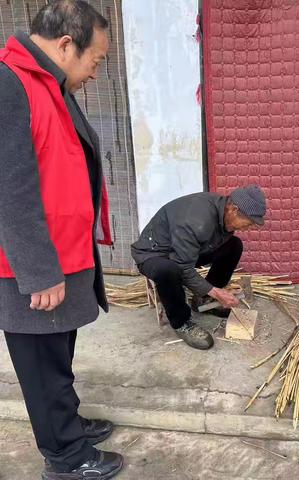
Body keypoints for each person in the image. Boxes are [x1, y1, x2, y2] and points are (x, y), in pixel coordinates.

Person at [0, 1, 123, 478]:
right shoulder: (11, 84)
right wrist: (39, 271)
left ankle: (67, 425)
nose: (95, 72)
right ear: (66, 45)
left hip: (62, 254)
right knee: (42, 367)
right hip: (30, 266)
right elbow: (10, 185)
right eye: (96, 60)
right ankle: (66, 458)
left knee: (59, 355)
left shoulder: (48, 84)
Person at [131, 185, 266, 350]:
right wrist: (216, 291)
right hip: (155, 254)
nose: (250, 228)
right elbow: (183, 267)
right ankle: (181, 322)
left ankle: (203, 301)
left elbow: (189, 255)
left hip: (182, 251)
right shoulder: (196, 220)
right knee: (169, 270)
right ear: (233, 209)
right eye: (249, 222)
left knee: (233, 245)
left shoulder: (222, 211)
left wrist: (209, 290)